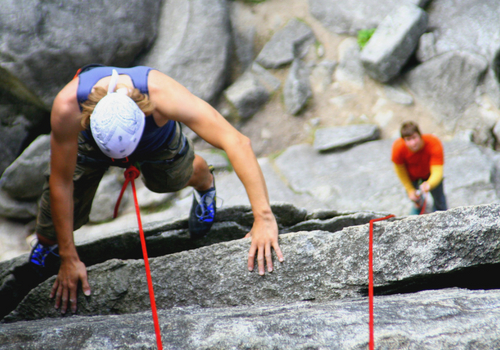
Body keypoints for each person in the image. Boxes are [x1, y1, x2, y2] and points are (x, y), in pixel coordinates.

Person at [27, 65, 284, 315]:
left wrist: (263, 217)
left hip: (154, 139)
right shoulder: (68, 107)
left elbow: (236, 141)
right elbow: (61, 182)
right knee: (50, 231)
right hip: (90, 146)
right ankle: (49, 243)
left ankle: (204, 181)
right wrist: (68, 257)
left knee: (169, 181)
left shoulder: (162, 94)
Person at [391, 121, 448, 215]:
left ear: (420, 135)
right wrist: (410, 190)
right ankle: (418, 208)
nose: (413, 143)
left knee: (439, 200)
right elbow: (400, 171)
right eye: (408, 139)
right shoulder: (398, 148)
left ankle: (442, 214)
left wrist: (430, 184)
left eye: (414, 138)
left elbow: (437, 171)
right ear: (403, 140)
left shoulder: (434, 143)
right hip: (411, 176)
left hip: (430, 174)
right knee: (415, 199)